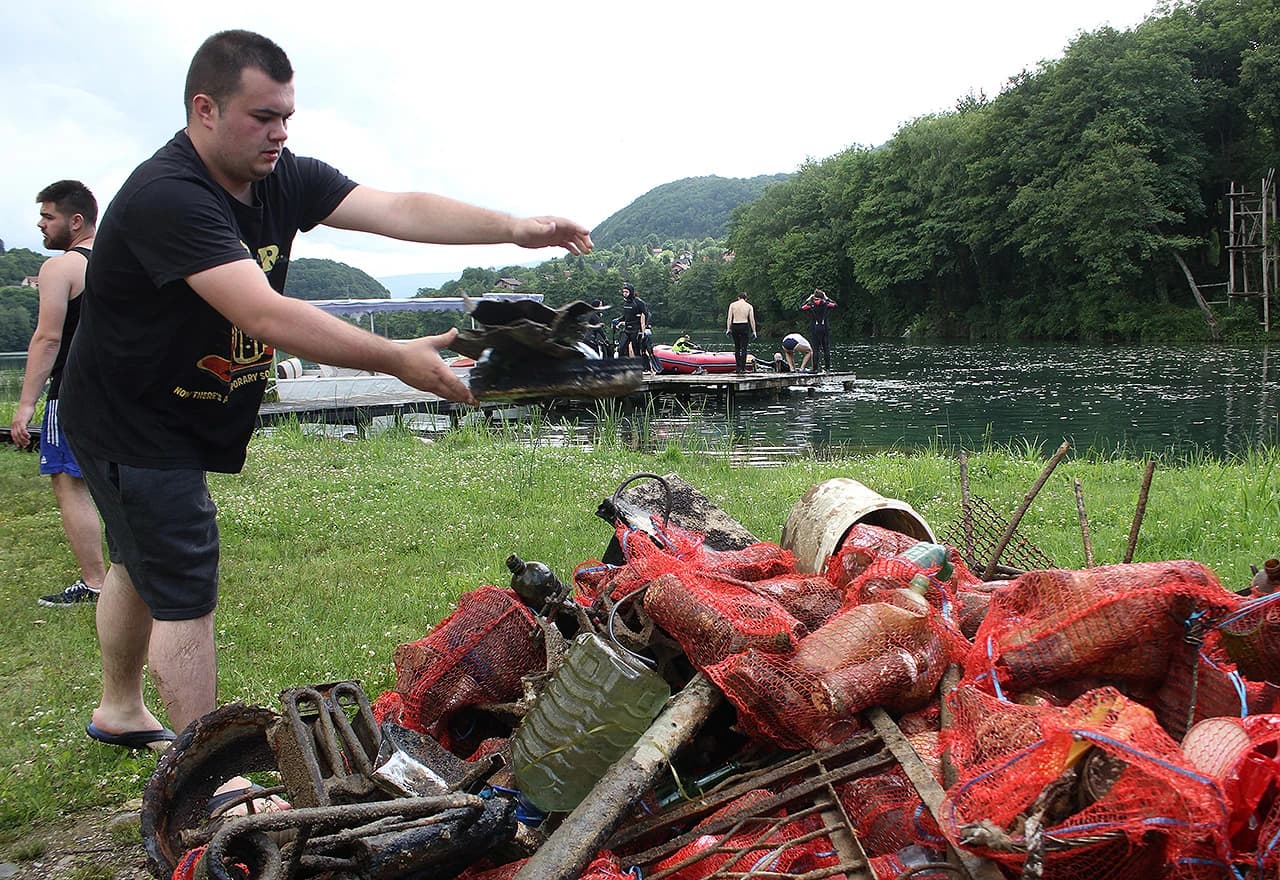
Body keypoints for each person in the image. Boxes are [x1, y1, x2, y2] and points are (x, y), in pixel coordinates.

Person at [57, 30, 593, 760]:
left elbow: (396, 208)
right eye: (262, 116)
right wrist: (393, 359)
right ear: (204, 109)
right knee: (181, 572)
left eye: (287, 116)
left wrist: (512, 227)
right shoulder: (168, 196)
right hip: (132, 414)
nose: (279, 133)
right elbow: (265, 312)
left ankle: (119, 708)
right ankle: (208, 775)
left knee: (135, 560)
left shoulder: (279, 175)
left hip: (175, 405)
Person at [10, 180, 108, 608]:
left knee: (69, 482)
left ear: (76, 220)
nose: (40, 224)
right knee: (118, 483)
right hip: (121, 393)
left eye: (48, 217)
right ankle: (136, 574)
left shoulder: (61, 268)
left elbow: (47, 338)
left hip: (72, 392)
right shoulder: (119, 262)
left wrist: (26, 404)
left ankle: (95, 583)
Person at [618, 283, 658, 372]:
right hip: (627, 329)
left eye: (626, 292)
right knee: (620, 348)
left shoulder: (639, 302)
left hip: (636, 330)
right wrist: (618, 320)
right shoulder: (625, 303)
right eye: (623, 292)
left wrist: (645, 327)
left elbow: (647, 314)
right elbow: (625, 316)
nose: (624, 294)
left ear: (631, 292)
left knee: (636, 350)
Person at [801, 288, 837, 371]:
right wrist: (827, 297)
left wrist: (808, 299)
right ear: (822, 296)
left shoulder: (811, 305)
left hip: (815, 328)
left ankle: (815, 369)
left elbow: (802, 307)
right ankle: (827, 369)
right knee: (826, 349)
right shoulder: (826, 304)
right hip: (825, 328)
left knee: (815, 349)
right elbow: (835, 305)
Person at [725, 292, 757, 373]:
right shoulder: (749, 306)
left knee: (737, 347)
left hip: (735, 325)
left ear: (738, 298)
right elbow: (752, 320)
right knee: (744, 348)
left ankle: (738, 368)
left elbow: (729, 318)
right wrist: (754, 331)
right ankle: (743, 368)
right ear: (746, 298)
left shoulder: (732, 305)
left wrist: (728, 329)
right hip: (744, 325)